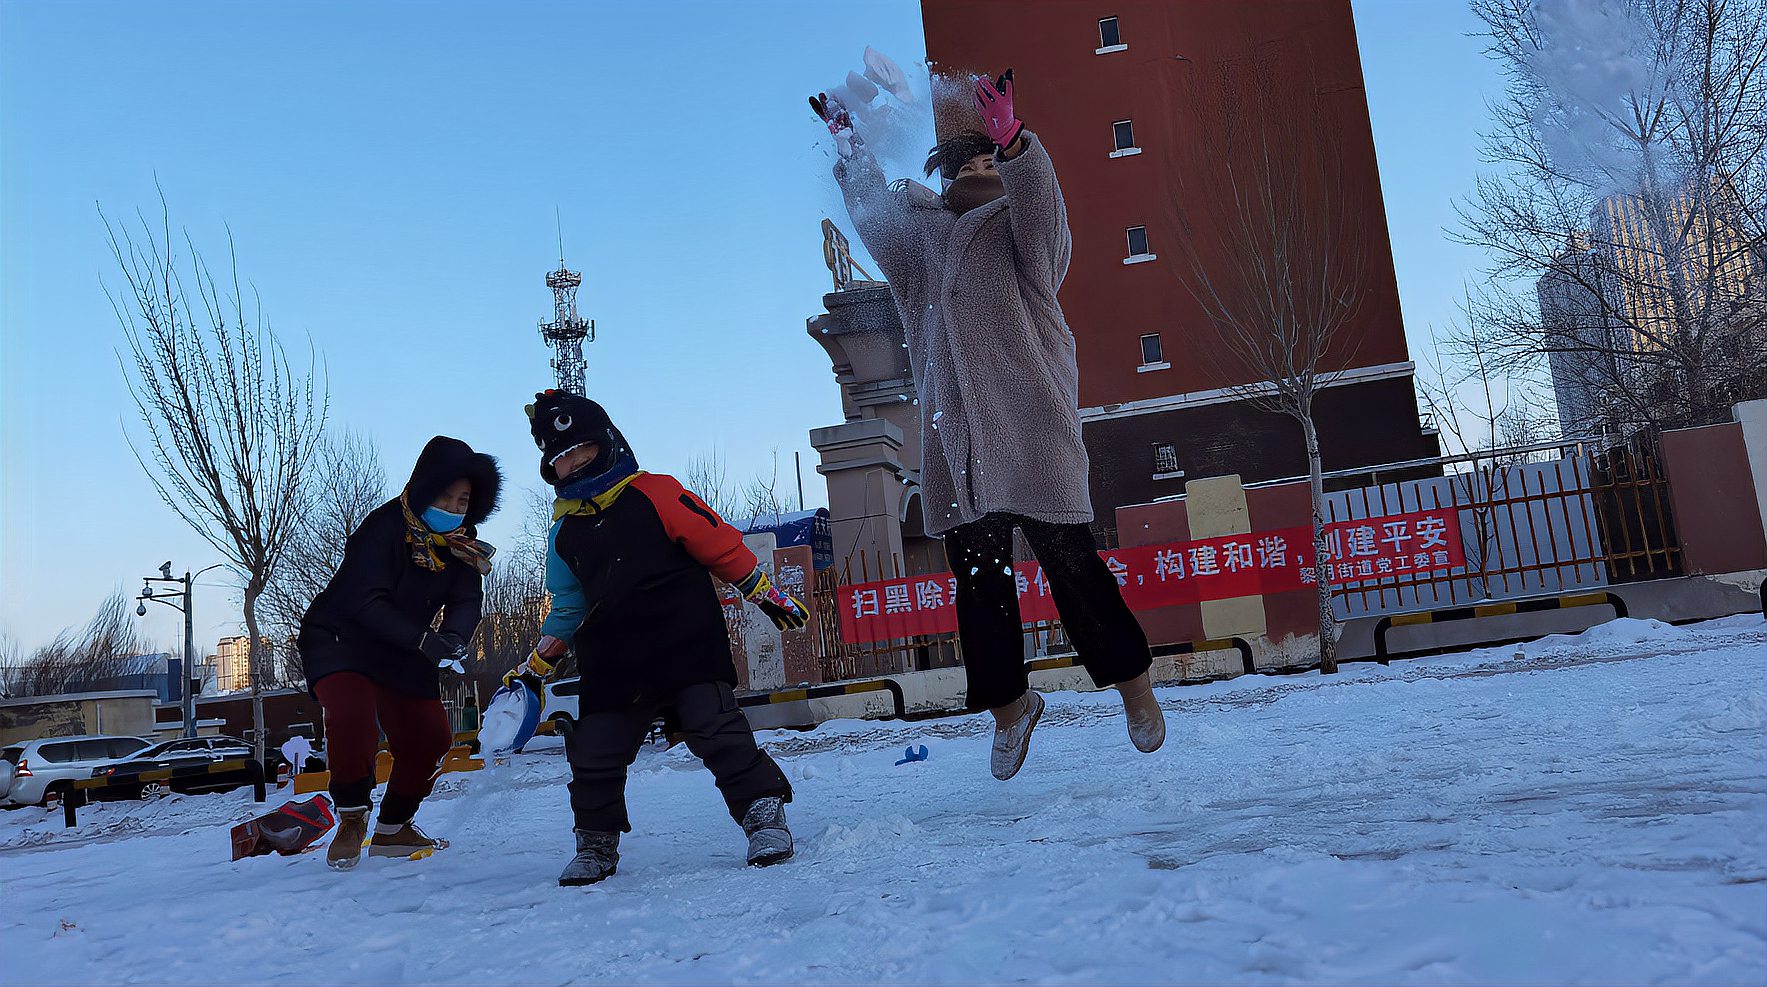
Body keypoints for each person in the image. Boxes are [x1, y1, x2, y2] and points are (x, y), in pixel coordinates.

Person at [819, 70, 1166, 780]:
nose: (980, 172)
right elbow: (875, 224)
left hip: (1032, 430)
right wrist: (853, 152)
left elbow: (1041, 207)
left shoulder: (1023, 239)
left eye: (989, 161)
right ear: (943, 175)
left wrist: (1018, 145)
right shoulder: (922, 246)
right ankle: (1012, 710)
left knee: (1074, 571)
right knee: (978, 584)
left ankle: (1135, 689)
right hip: (958, 441)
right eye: (967, 163)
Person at [507, 390, 807, 887]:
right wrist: (538, 665)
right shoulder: (562, 532)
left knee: (717, 730)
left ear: (607, 443)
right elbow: (567, 607)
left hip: (685, 645)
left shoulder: (657, 491)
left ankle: (763, 815)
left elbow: (718, 543)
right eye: (560, 459)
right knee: (595, 750)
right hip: (612, 661)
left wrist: (762, 591)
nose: (574, 463)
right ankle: (596, 842)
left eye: (581, 449)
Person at [298, 436, 501, 869]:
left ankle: (393, 828)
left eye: (463, 499)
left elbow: (466, 601)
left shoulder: (462, 547)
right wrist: (423, 641)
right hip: (341, 638)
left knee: (430, 738)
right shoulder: (383, 527)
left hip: (402, 646)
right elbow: (364, 599)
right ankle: (352, 816)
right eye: (445, 494)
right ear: (423, 487)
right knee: (352, 714)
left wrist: (455, 638)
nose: (453, 506)